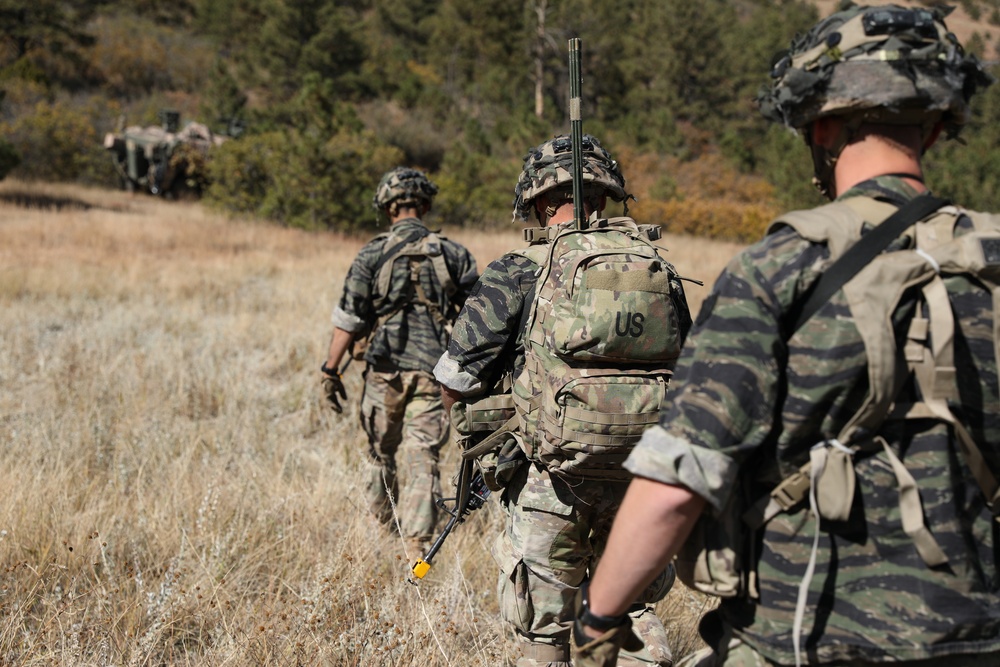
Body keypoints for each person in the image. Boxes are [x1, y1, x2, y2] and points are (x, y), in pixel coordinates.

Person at [573, 4, 1000, 667]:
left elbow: (677, 484)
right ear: (936, 128)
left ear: (822, 125)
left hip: (804, 636)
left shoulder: (777, 271)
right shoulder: (992, 260)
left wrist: (596, 619)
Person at [434, 134, 692, 667]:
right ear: (605, 195)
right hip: (641, 481)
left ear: (540, 201)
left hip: (550, 478)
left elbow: (457, 378)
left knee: (545, 634)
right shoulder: (655, 266)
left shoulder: (519, 268)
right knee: (631, 616)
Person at [321, 167, 478, 554]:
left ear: (389, 208)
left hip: (384, 371)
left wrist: (329, 370)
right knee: (424, 456)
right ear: (424, 206)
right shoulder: (454, 253)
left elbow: (349, 318)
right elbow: (478, 318)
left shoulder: (372, 252)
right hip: (435, 373)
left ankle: (383, 528)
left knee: (379, 454)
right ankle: (416, 546)